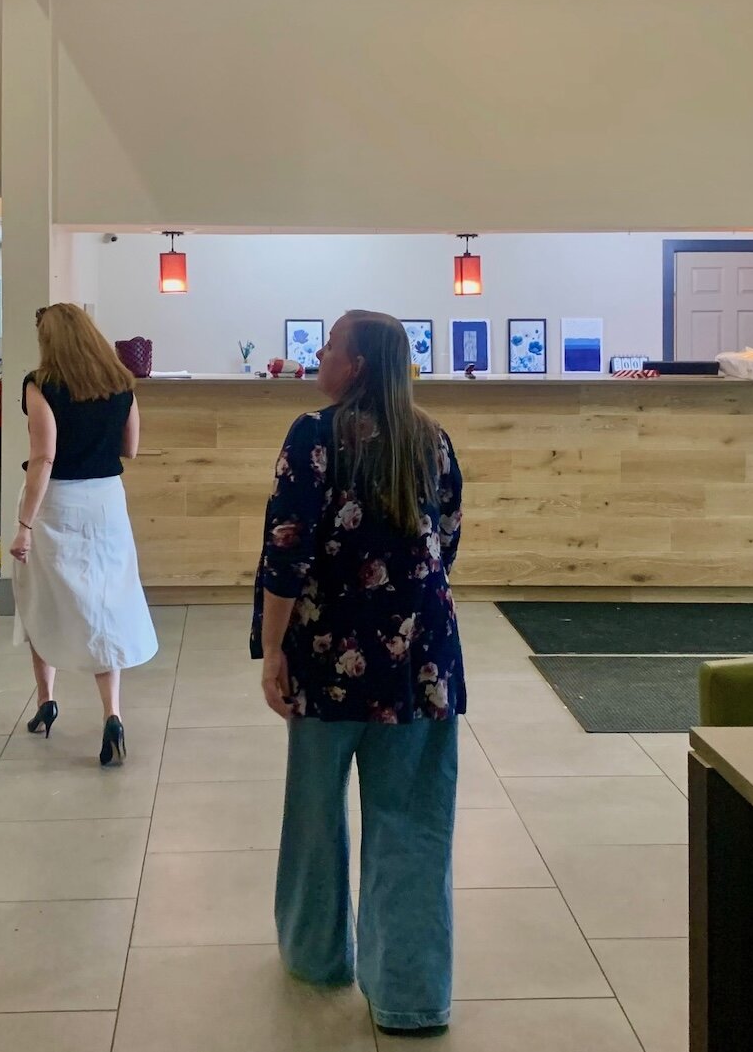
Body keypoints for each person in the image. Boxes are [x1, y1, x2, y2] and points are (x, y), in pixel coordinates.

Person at [251, 310, 466, 1036]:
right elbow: (450, 536)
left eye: (331, 344)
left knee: (314, 815)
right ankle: (411, 992)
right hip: (421, 660)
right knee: (414, 822)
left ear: (359, 365)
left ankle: (317, 956)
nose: (320, 353)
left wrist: (273, 647)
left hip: (328, 654)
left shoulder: (314, 437)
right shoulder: (431, 438)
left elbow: (287, 550)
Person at [11, 303, 157, 766]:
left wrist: (24, 526)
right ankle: (112, 714)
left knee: (41, 596)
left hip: (57, 502)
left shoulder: (41, 385)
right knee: (103, 603)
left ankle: (45, 702)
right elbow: (130, 448)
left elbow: (44, 457)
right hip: (107, 502)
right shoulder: (121, 384)